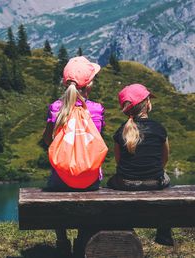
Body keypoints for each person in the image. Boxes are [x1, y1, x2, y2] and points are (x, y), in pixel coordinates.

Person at [43, 56, 105, 256]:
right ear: (90, 85)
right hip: (90, 180)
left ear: (64, 82)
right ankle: (82, 239)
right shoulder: (96, 110)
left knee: (54, 183)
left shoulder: (55, 108)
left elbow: (47, 140)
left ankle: (62, 239)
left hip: (60, 179)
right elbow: (95, 141)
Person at [107, 83, 173, 246]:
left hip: (126, 183)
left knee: (111, 182)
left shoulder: (121, 131)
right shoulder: (159, 129)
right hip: (154, 182)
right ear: (147, 104)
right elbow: (164, 159)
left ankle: (126, 227)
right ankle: (164, 232)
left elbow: (119, 161)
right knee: (167, 180)